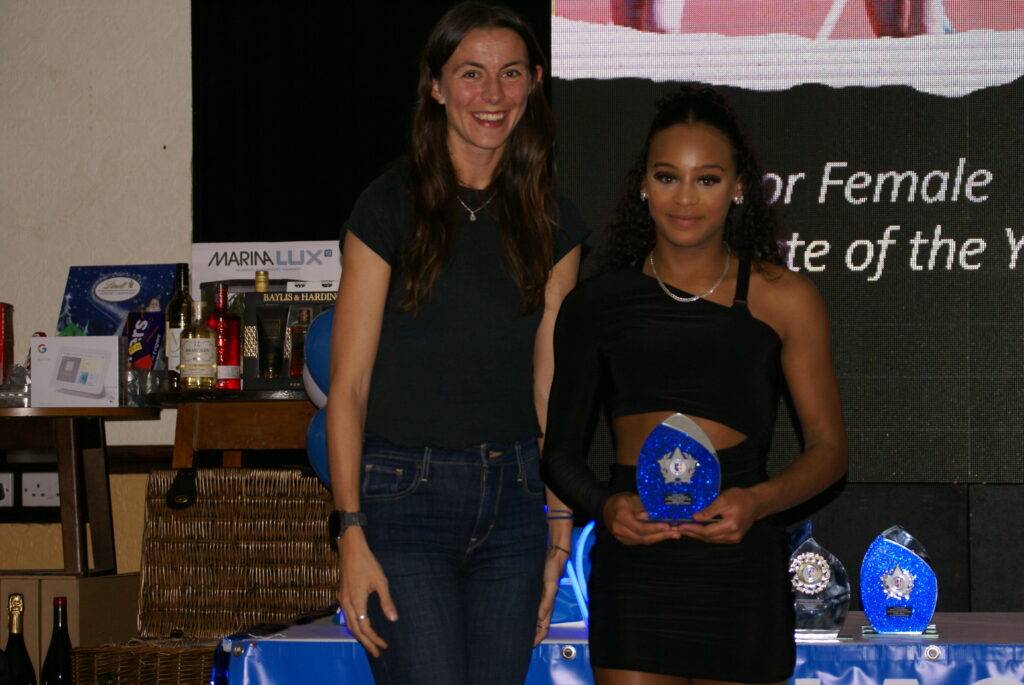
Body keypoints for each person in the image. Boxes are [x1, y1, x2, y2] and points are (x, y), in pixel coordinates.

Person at [541, 86, 848, 684]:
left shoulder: (785, 298)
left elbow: (830, 451)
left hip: (740, 561)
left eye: (707, 179)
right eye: (667, 177)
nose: (685, 198)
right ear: (643, 185)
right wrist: (607, 507)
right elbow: (558, 454)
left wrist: (757, 502)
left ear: (739, 188)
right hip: (636, 568)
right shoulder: (595, 304)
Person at [324, 2, 586, 683]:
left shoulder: (553, 218)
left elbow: (550, 383)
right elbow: (348, 387)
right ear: (436, 86)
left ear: (534, 83)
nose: (492, 95)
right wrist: (349, 530)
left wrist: (559, 524)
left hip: (516, 508)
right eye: (471, 73)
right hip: (403, 499)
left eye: (510, 73)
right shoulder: (387, 206)